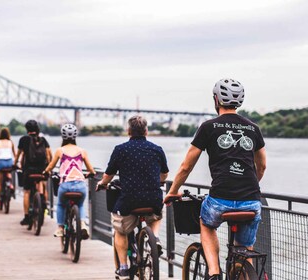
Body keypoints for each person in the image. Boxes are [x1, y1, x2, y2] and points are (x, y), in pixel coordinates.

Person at [164, 78, 267, 280]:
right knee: (244, 249)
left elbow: (186, 166)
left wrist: (173, 191)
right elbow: (261, 166)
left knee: (207, 223)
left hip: (221, 198)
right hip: (251, 199)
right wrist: (249, 187)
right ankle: (245, 271)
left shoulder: (208, 127)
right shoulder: (253, 128)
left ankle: (213, 272)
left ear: (216, 99)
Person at [96, 115, 169, 280]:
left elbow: (109, 174)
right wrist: (160, 181)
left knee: (120, 231)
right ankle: (155, 237)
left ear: (128, 131)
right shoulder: (157, 149)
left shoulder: (120, 149)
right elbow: (164, 174)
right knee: (156, 215)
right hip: (153, 198)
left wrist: (102, 183)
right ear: (146, 131)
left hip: (129, 200)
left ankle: (123, 269)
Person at [43, 123, 96, 239]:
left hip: (65, 185)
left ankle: (61, 228)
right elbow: (91, 170)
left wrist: (46, 172)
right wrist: (90, 174)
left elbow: (51, 166)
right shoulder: (82, 151)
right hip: (80, 185)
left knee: (61, 204)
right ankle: (82, 224)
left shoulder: (60, 151)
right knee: (81, 204)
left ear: (63, 137)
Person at [14, 120, 52, 226]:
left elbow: (18, 155)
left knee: (26, 192)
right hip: (41, 170)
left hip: (29, 170)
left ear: (27, 129)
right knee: (42, 186)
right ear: (37, 129)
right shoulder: (43, 140)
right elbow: (49, 155)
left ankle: (26, 217)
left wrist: (15, 164)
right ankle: (43, 206)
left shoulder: (23, 139)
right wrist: (49, 168)